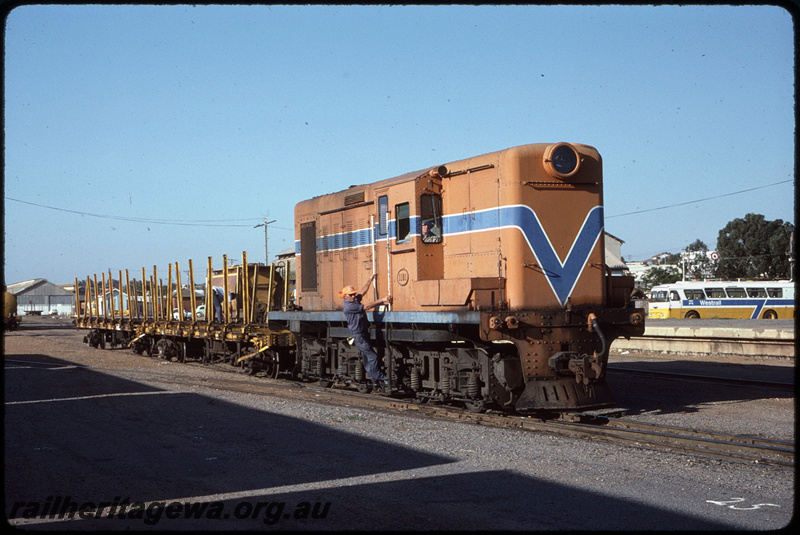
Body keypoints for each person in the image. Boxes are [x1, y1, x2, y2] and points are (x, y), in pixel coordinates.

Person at [339, 274, 392, 390]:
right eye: (351, 295)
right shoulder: (349, 306)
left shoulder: (354, 300)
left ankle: (374, 380)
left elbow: (362, 292)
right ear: (345, 296)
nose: (353, 296)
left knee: (367, 356)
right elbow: (366, 307)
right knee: (372, 356)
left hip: (363, 333)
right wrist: (382, 300)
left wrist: (369, 281)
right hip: (358, 335)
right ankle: (378, 377)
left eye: (353, 294)